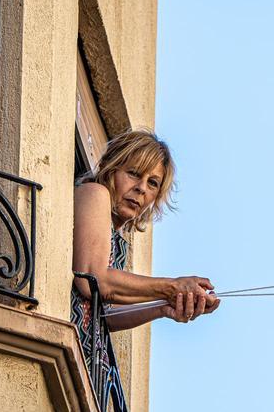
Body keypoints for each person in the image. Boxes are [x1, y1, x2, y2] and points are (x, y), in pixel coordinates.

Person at [71, 129, 219, 377]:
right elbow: (92, 280)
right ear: (111, 168)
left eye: (152, 183)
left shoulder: (118, 240)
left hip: (85, 372)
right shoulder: (95, 193)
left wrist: (164, 306)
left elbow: (105, 312)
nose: (141, 189)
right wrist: (171, 286)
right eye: (133, 173)